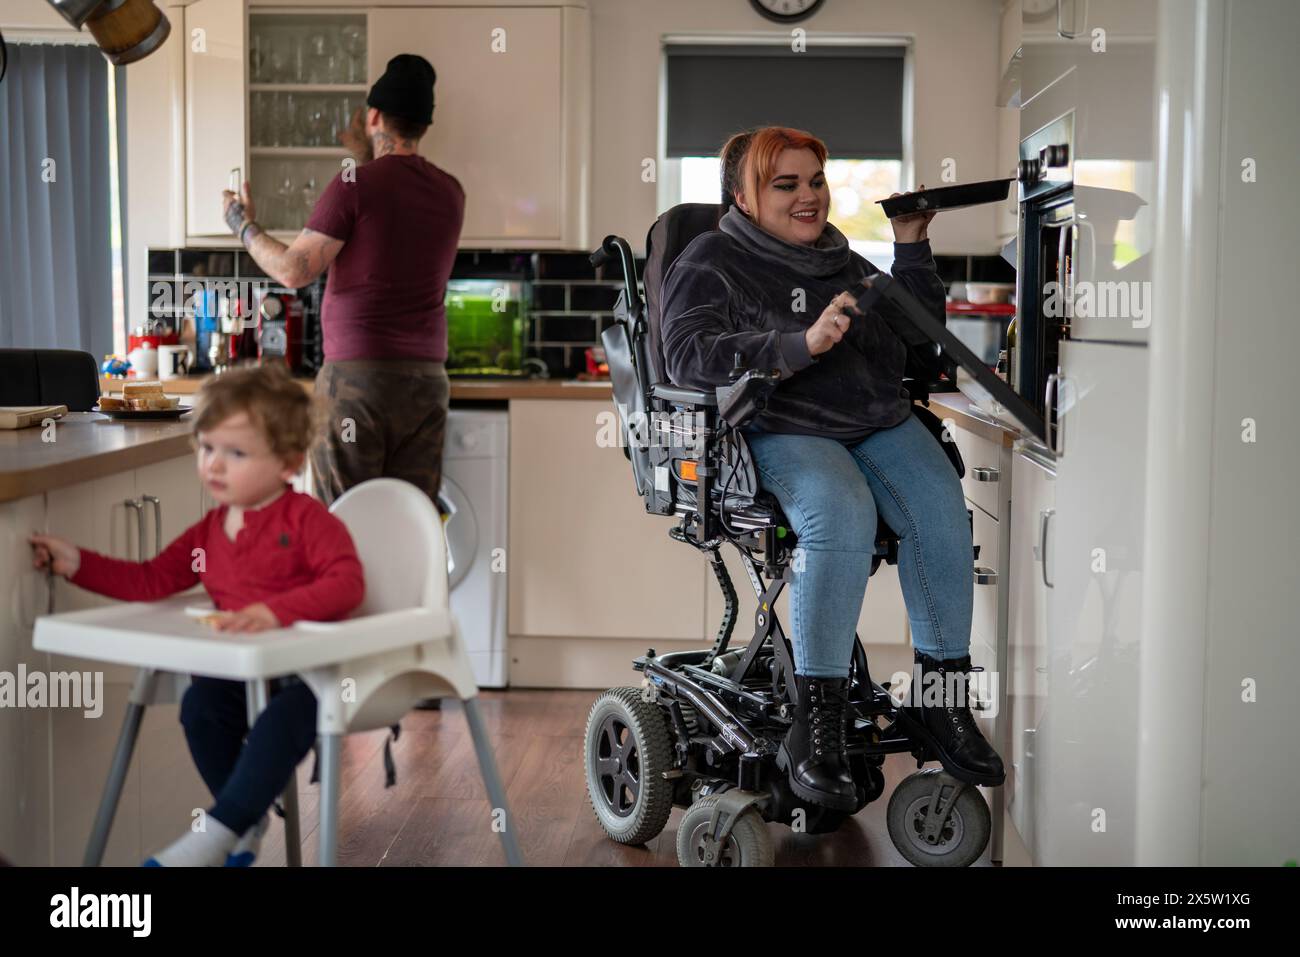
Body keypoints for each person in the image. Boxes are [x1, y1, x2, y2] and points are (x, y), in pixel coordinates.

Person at [661, 126, 1005, 812]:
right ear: (746, 196)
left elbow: (918, 336)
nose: (808, 196)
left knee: (940, 501)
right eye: (785, 184)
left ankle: (944, 702)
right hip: (781, 422)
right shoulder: (712, 258)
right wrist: (797, 343)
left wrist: (911, 243)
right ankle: (815, 731)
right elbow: (687, 356)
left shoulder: (842, 260)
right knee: (838, 507)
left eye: (814, 180)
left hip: (873, 419)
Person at [29, 364, 365, 865]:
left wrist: (274, 612)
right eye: (207, 448)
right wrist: (76, 563)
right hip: (239, 671)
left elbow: (347, 584)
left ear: (289, 463)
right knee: (201, 707)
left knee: (287, 716)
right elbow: (151, 580)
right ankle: (243, 822)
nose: (214, 465)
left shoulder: (308, 521)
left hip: (313, 674)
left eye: (236, 453)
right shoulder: (209, 531)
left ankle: (216, 833)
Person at [221, 53, 464, 513]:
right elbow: (391, 205)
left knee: (346, 522)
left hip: (360, 383)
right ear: (424, 125)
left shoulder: (354, 185)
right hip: (428, 383)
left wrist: (242, 225)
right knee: (409, 524)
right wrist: (362, 155)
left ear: (373, 116)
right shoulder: (451, 192)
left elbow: (294, 271)